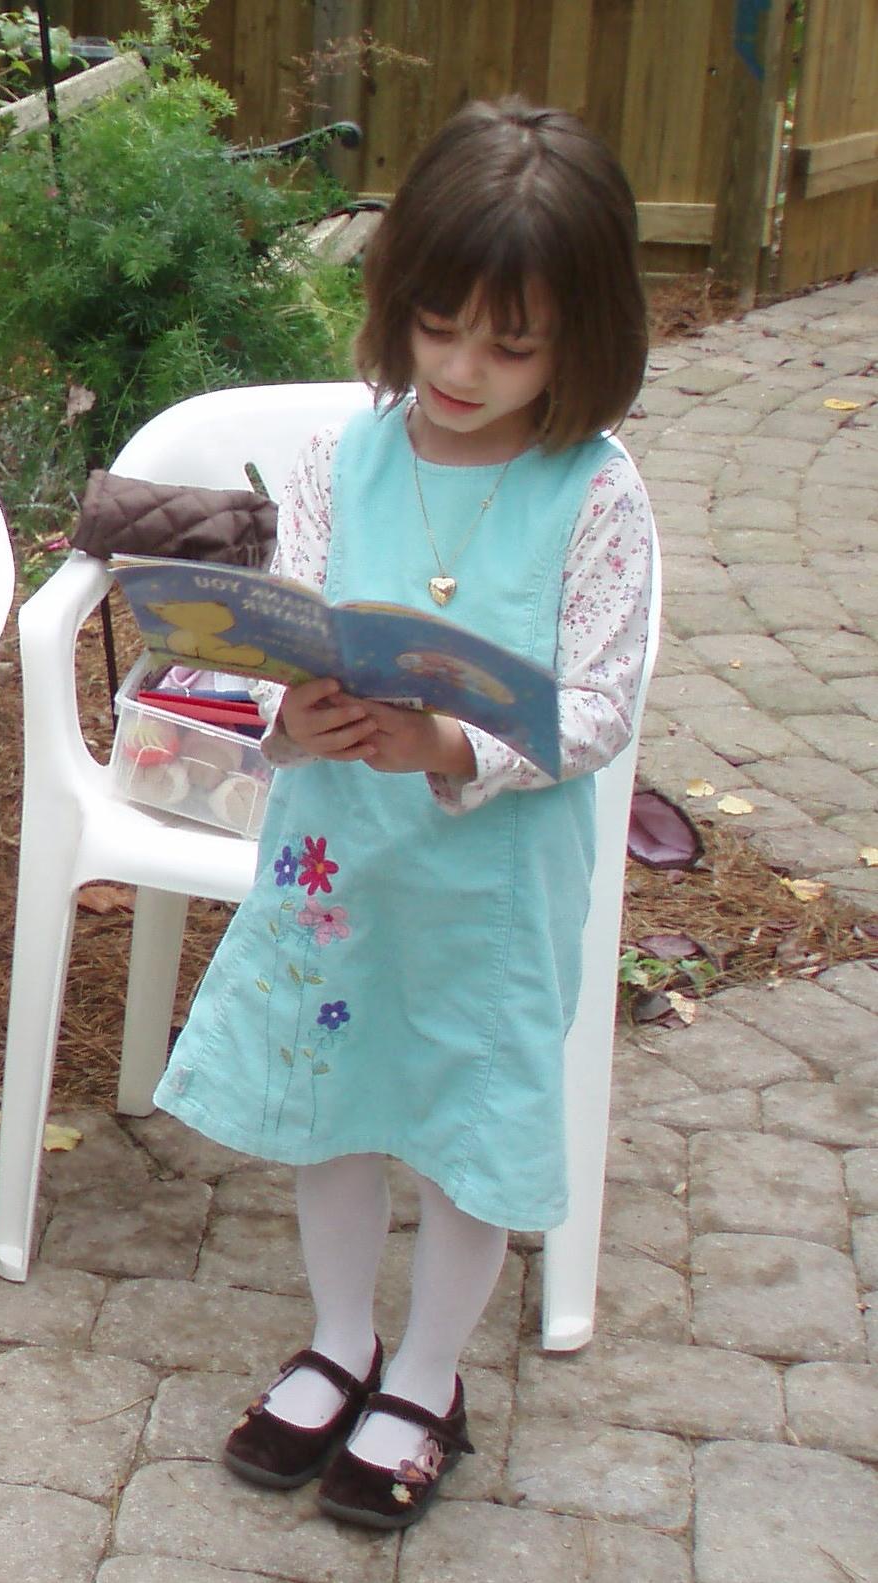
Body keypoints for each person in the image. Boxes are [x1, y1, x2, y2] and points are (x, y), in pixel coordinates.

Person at [153, 95, 656, 1530]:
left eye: (513, 344)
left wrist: (452, 738)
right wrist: (281, 709)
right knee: (334, 1100)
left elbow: (604, 702)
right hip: (334, 860)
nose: (462, 369)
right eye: (439, 326)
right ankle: (337, 1339)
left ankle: (429, 1374)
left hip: (490, 880)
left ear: (587, 338)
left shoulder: (597, 495)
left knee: (465, 1114)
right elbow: (289, 626)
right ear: (398, 301)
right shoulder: (342, 455)